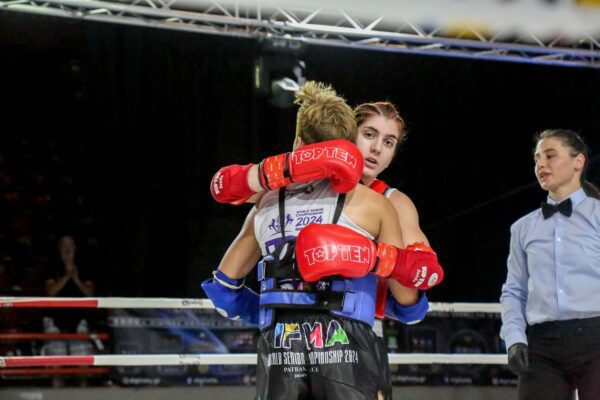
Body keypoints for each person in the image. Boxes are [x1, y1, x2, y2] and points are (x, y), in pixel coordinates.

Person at [204, 81, 443, 399]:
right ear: (349, 138)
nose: (376, 148)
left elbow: (413, 293)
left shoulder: (393, 202)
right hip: (345, 340)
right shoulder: (371, 206)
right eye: (369, 135)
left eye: (389, 142)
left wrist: (273, 312)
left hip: (315, 334)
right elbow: (410, 304)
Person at [500, 129, 600, 400]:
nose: (540, 164)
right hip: (542, 346)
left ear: (578, 161)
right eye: (536, 158)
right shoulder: (522, 228)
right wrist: (514, 339)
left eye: (550, 155)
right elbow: (514, 291)